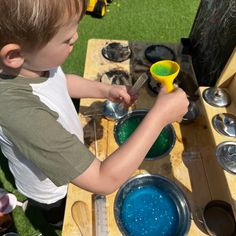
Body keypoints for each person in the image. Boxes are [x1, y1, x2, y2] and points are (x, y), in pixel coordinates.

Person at [0, 0, 189, 227]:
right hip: (50, 186)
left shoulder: (31, 64)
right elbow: (103, 179)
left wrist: (105, 90)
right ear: (14, 55)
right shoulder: (20, 112)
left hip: (64, 155)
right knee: (59, 208)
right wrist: (159, 117)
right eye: (66, 39)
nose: (76, 38)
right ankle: (53, 220)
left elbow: (60, 82)